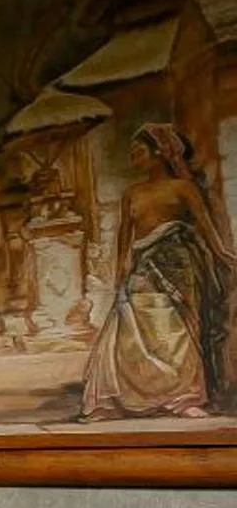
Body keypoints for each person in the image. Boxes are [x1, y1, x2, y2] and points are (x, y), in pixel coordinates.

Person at [81, 122, 237, 419]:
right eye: (131, 153)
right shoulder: (131, 193)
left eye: (139, 152)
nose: (133, 158)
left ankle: (182, 398)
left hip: (178, 266)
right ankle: (127, 397)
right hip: (143, 268)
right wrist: (119, 272)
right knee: (131, 325)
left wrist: (224, 254)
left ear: (159, 153)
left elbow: (206, 228)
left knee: (175, 331)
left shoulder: (184, 189)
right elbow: (124, 238)